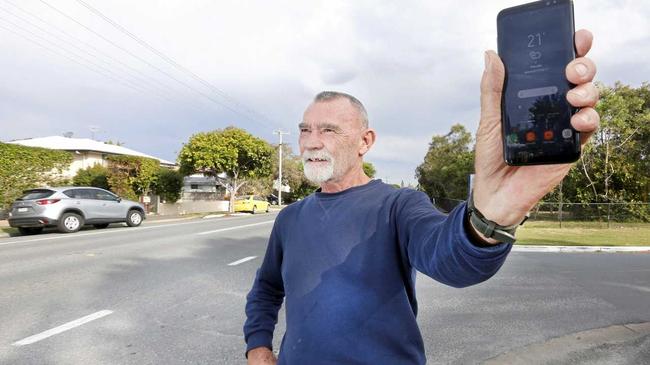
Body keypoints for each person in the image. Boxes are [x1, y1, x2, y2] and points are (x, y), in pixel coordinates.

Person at [244, 29, 599, 365]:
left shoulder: (399, 205)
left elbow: (452, 261)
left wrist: (491, 216)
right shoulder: (290, 218)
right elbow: (266, 288)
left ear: (365, 141)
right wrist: (258, 348)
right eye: (305, 130)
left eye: (329, 130)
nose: (311, 141)